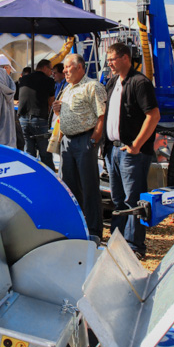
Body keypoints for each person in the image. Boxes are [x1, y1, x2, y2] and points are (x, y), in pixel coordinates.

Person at [102, 42, 160, 257]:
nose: (109, 63)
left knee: (133, 200)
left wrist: (136, 145)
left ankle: (134, 246)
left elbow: (153, 115)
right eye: (108, 60)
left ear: (125, 58)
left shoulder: (140, 83)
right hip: (113, 150)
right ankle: (117, 244)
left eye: (112, 59)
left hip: (131, 152)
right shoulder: (112, 83)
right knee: (118, 199)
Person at [52, 54, 107, 239]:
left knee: (89, 187)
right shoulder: (67, 88)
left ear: (80, 67)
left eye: (68, 67)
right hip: (67, 141)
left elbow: (101, 116)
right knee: (69, 188)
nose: (64, 71)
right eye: (64, 68)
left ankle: (94, 231)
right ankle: (76, 228)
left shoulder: (92, 86)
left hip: (85, 140)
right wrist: (59, 110)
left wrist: (93, 140)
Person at [17, 58, 56, 169]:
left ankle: (31, 175)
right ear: (45, 68)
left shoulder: (24, 79)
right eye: (51, 69)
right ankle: (48, 177)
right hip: (39, 118)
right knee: (45, 153)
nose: (51, 73)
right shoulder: (48, 80)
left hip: (23, 118)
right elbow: (51, 101)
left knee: (29, 153)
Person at [0, 53, 25, 151]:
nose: (10, 74)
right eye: (9, 70)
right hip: (6, 136)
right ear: (5, 68)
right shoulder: (6, 85)